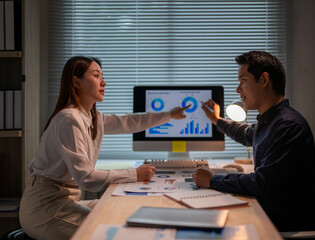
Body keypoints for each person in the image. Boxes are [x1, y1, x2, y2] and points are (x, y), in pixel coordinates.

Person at [19, 56, 190, 240]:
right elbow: (87, 178)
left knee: (125, 211)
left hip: (65, 201)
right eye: (96, 75)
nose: (104, 82)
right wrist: (135, 174)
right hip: (45, 210)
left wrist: (169, 115)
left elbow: (129, 122)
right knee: (117, 231)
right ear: (76, 81)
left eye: (102, 76)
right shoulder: (69, 119)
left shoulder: (92, 117)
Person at [193, 51, 315, 231]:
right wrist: (216, 119)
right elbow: (245, 134)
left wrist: (213, 181)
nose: (238, 89)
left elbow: (263, 184)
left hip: (281, 224)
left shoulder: (288, 126)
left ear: (264, 80)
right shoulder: (271, 121)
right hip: (270, 212)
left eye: (243, 80)